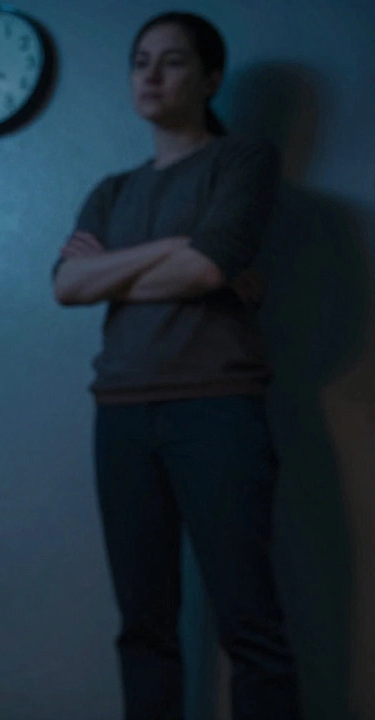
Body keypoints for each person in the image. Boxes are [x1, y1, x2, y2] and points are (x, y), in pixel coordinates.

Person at [51, 11, 302, 720]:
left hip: (218, 406)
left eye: (173, 61)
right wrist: (181, 248)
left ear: (211, 77)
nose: (152, 75)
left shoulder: (242, 160)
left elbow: (207, 268)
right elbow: (66, 286)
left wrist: (125, 270)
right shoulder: (111, 191)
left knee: (249, 621)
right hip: (121, 413)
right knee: (143, 625)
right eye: (141, 62)